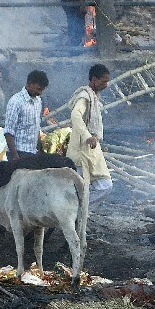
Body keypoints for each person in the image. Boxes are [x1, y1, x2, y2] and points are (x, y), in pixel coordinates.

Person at [67, 64, 114, 205]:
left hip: (92, 152)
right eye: (103, 81)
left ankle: (79, 211)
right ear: (94, 79)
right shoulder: (84, 96)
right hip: (81, 150)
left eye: (107, 81)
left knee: (105, 185)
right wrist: (88, 136)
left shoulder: (94, 97)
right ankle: (75, 215)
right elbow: (75, 115)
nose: (106, 85)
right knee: (81, 188)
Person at [4, 70, 48, 161]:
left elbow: (36, 128)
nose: (40, 93)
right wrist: (15, 157)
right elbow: (8, 132)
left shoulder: (38, 101)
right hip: (18, 152)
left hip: (32, 152)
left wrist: (40, 151)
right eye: (38, 89)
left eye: (42, 90)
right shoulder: (16, 101)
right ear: (29, 84)